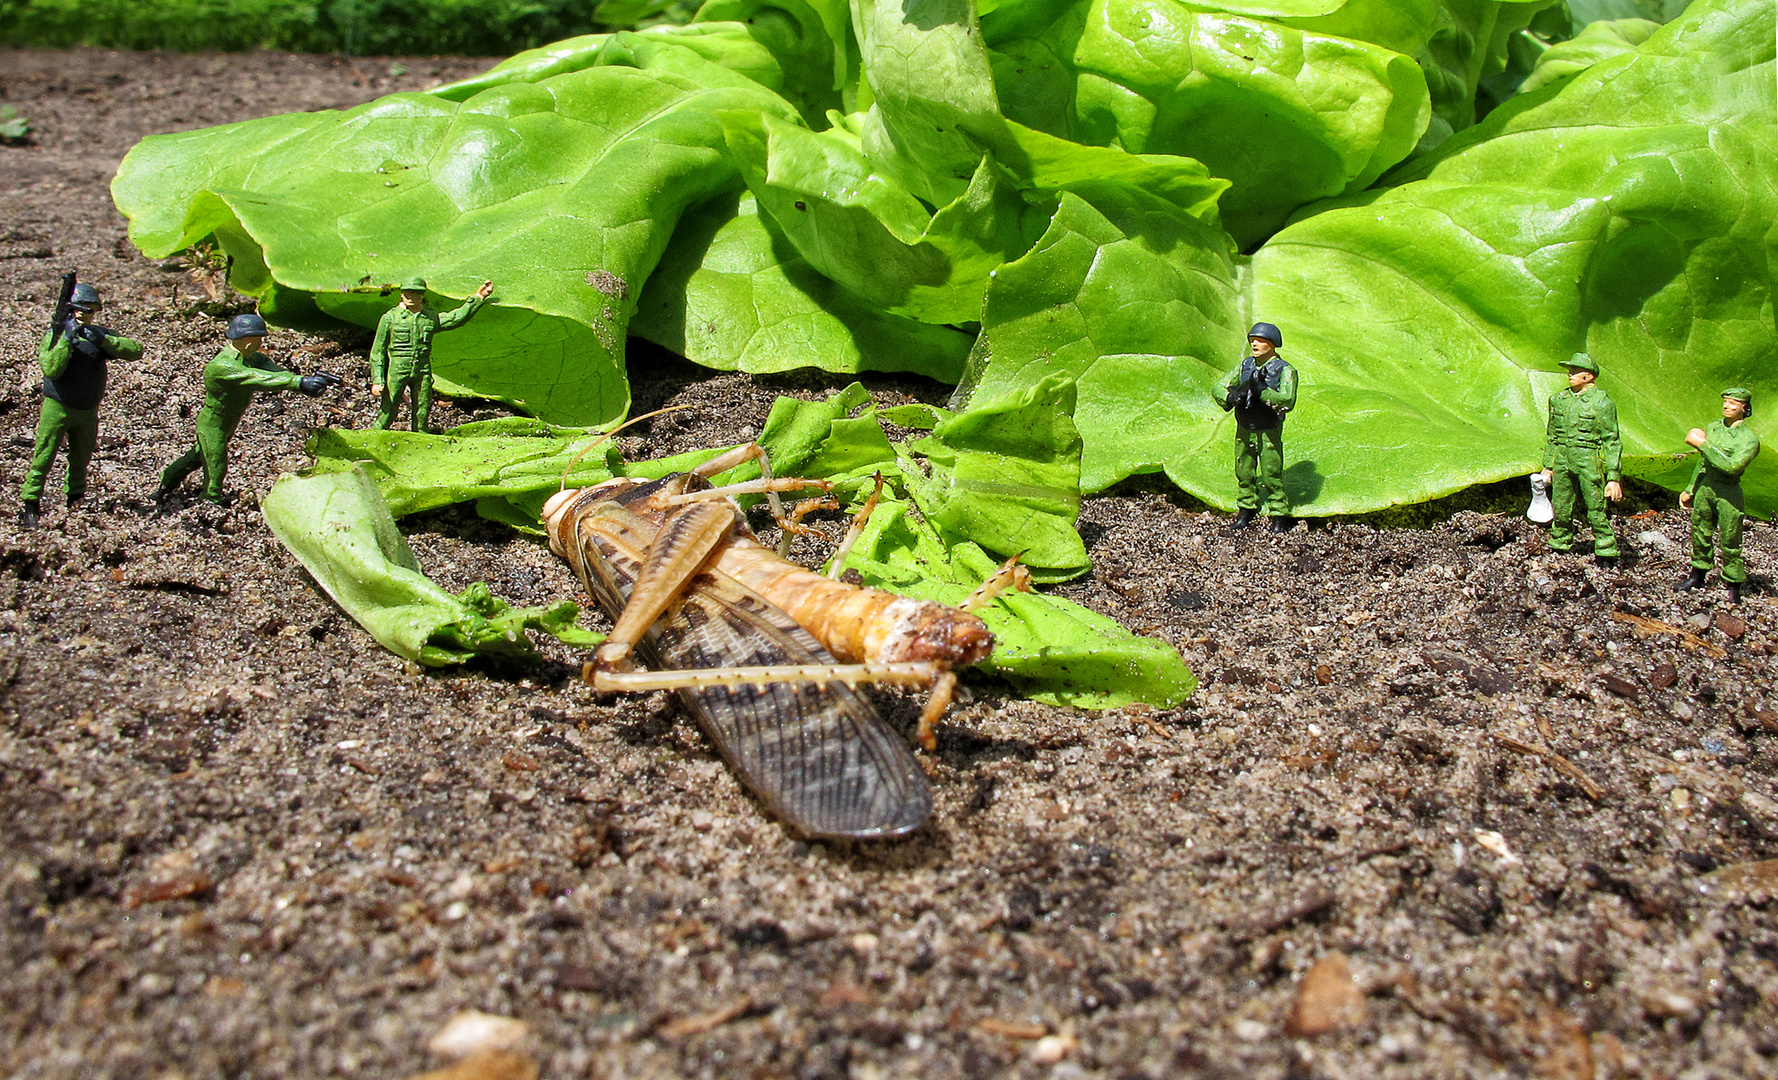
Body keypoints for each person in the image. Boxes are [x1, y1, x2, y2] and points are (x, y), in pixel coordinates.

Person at [156, 314, 337, 504]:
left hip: (229, 422)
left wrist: (308, 380)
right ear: (246, 340)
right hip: (212, 423)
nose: (260, 343)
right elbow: (258, 378)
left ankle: (166, 482)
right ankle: (211, 500)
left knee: (196, 457)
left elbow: (274, 372)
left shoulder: (253, 358)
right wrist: (298, 382)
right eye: (257, 339)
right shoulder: (223, 366)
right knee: (216, 461)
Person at [21, 282, 143, 529]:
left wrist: (104, 340)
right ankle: (30, 505)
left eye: (89, 309)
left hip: (88, 410)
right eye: (79, 308)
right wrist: (66, 339)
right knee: (43, 457)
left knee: (81, 458)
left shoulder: (98, 334)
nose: (84, 314)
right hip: (58, 407)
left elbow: (135, 350)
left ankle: (75, 501)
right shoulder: (54, 336)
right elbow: (51, 368)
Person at [370, 275, 494, 433]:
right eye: (408, 293)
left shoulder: (429, 317)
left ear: (422, 295)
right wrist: (378, 380)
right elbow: (377, 352)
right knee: (389, 409)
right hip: (398, 368)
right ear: (401, 294)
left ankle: (421, 442)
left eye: (416, 293)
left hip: (422, 369)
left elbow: (455, 318)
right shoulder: (390, 318)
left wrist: (478, 298)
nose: (411, 297)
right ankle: (371, 437)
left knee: (422, 411)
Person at [1677, 387, 1760, 604]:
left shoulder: (1749, 440)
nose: (1726, 406)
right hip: (1707, 486)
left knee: (1731, 538)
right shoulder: (1713, 428)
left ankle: (1733, 585)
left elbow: (1732, 466)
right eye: (1725, 402)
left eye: (1733, 403)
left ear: (1744, 408)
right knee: (1700, 531)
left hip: (1728, 490)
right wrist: (1690, 488)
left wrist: (1702, 444)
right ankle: (1698, 576)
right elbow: (1703, 463)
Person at [1540, 353, 1623, 564]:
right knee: (1561, 504)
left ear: (1588, 376)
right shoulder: (1559, 400)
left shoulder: (1601, 403)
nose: (1571, 375)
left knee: (1595, 506)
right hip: (1563, 458)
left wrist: (1613, 478)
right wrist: (1548, 465)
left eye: (1576, 372)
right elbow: (1553, 436)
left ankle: (1605, 548)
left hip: (1587, 457)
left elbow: (1611, 440)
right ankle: (1560, 542)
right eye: (1570, 371)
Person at [1216, 322, 1298, 531]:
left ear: (1272, 344)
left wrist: (1264, 392)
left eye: (1260, 340)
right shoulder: (1245, 366)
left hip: (1268, 428)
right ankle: (1246, 509)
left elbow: (1287, 400)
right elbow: (1218, 386)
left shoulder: (1285, 370)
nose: (1255, 343)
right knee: (1244, 469)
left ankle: (1279, 515)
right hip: (1245, 426)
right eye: (1252, 339)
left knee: (1271, 472)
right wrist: (1230, 396)